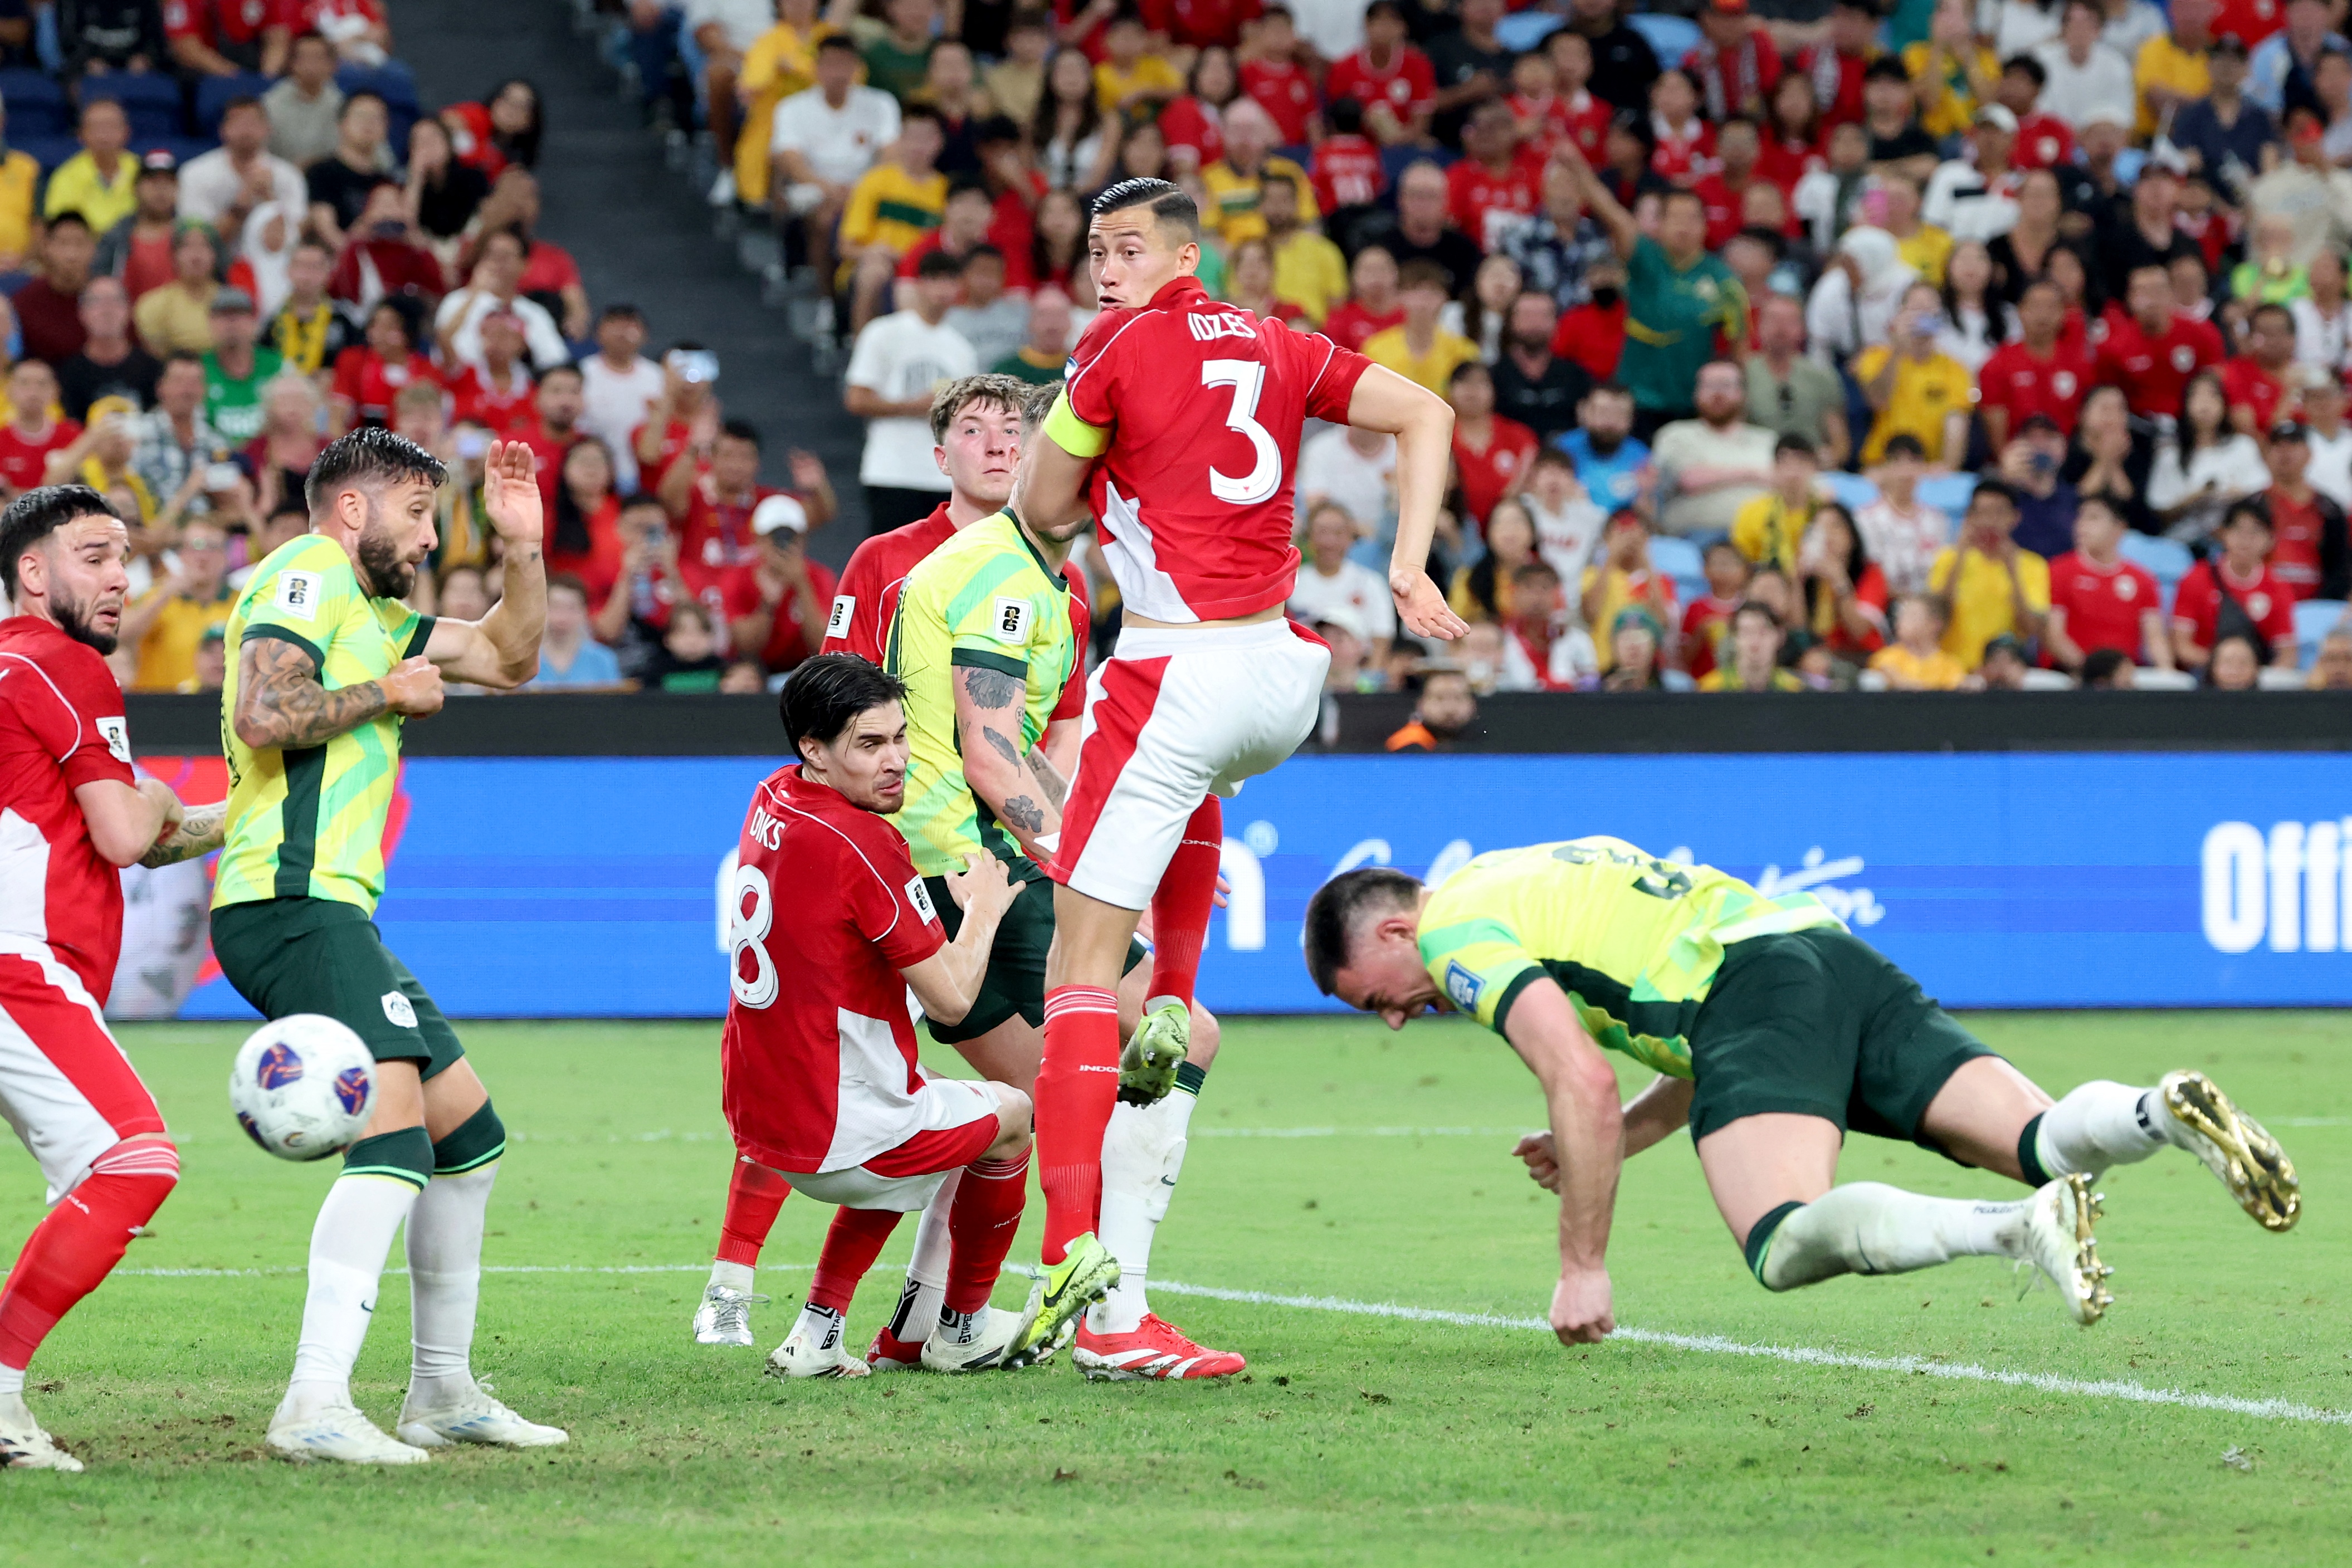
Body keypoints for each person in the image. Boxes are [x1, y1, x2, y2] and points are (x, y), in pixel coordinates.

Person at [1012, 175, 1462, 1366]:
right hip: (1282, 679)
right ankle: (1176, 998)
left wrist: (1088, 441)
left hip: (1176, 667)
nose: (1102, 268)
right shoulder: (1273, 340)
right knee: (1186, 827)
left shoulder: (1112, 350)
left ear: (1178, 253)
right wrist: (1410, 567)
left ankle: (1071, 1260)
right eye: (1093, 249)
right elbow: (1426, 413)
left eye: (1122, 248)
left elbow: (1038, 504)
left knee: (1071, 972)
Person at [1302, 843, 2300, 1346]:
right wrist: (1596, 1143)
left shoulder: (1452, 934)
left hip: (1749, 997)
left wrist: (1582, 1264)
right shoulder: (1518, 876)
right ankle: (2156, 1112)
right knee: (2041, 1137)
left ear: (1394, 935)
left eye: (1373, 1003)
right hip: (1822, 957)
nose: (1394, 1018)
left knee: (1782, 1241)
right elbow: (1676, 1057)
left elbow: (1583, 1078)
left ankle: (2015, 1230)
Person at [209, 429, 561, 1464]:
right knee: (397, 1135)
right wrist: (387, 694)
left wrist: (522, 549)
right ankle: (313, 1402)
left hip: (332, 906)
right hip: (288, 898)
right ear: (354, 510)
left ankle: (441, 1392)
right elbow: (265, 710)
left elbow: (509, 658)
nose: (426, 538)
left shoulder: (379, 615)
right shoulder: (306, 572)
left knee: (469, 1138)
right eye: (415, 515)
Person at [721, 654, 1040, 1376]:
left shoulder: (772, 794)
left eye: (901, 737)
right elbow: (952, 998)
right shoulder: (863, 841)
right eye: (870, 745)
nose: (896, 760)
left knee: (935, 1110)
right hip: (836, 1129)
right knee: (1013, 1112)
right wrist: (984, 905)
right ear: (815, 748)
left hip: (765, 1117)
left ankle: (820, 1334)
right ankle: (961, 1329)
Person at [0, 485, 227, 1469]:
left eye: (126, 556)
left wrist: (232, 825)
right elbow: (129, 832)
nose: (120, 577)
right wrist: (163, 794)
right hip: (19, 964)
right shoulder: (62, 666)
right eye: (94, 555)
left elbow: (101, 842)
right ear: (32, 572)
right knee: (134, 1160)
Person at [1567, 149, 1748, 437]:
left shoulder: (1724, 282)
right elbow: (1611, 213)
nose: (1683, 227)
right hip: (1639, 401)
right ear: (1660, 226)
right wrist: (1578, 168)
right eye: (1675, 219)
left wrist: (1738, 411)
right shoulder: (1643, 259)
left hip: (1694, 406)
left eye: (1691, 219)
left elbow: (1739, 353)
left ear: (1705, 225)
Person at [845, 250, 979, 535]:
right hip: (891, 469)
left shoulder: (961, 348)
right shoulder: (883, 333)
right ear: (919, 284)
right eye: (936, 280)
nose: (943, 290)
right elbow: (856, 398)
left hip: (942, 477)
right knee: (891, 566)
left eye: (950, 282)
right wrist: (914, 406)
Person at [770, 35, 902, 305]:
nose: (838, 73)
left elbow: (891, 154)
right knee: (825, 218)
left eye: (845, 64)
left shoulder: (881, 104)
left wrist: (861, 190)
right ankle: (827, 299)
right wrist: (828, 188)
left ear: (857, 68)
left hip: (865, 187)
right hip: (812, 188)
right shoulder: (792, 108)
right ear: (817, 68)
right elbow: (789, 158)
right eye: (830, 64)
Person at [1929, 478, 2048, 664]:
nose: (1989, 521)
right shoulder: (1947, 559)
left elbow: (2033, 628)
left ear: (2015, 517)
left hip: (2003, 672)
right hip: (1951, 671)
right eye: (1982, 512)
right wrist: (1959, 559)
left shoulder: (2033, 565)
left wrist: (2012, 572)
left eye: (1999, 513)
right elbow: (1934, 621)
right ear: (1970, 517)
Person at [2045, 494, 2170, 672]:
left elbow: (2155, 638)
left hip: (2124, 678)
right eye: (2080, 517)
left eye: (2094, 518)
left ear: (2120, 528)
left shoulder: (2143, 579)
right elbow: (2054, 635)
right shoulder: (2058, 571)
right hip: (2068, 674)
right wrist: (2091, 672)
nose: (2082, 525)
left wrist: (2167, 672)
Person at [1855, 281, 1975, 466]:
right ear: (1901, 313)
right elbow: (1878, 400)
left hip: (1929, 468)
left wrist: (1947, 468)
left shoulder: (1956, 370)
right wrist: (1897, 350)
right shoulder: (1875, 357)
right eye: (1917, 308)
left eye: (1930, 309)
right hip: (1882, 464)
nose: (1923, 315)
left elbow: (1956, 427)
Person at [2170, 500, 2300, 671]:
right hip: (2204, 673)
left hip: (2255, 677)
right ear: (2223, 534)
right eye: (2238, 531)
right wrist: (2226, 668)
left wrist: (2254, 675)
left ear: (2270, 540)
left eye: (2255, 532)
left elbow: (2287, 654)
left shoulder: (2278, 586)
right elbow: (2182, 647)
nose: (2245, 540)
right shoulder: (2196, 578)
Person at [1652, 361, 1777, 538]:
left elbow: (1790, 481)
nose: (1718, 394)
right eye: (1710, 386)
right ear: (1696, 394)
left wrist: (1716, 475)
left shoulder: (1769, 440)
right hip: (1694, 537)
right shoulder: (1676, 435)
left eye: (1726, 386)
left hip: (1762, 534)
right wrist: (1751, 474)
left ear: (1743, 394)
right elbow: (1688, 479)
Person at [2149, 368, 2268, 542]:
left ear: (2224, 404)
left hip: (2234, 539)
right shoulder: (2171, 455)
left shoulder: (2242, 446)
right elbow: (2161, 510)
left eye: (2212, 396)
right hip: (2185, 539)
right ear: (2186, 404)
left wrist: (2235, 494)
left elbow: (2260, 493)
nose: (2205, 404)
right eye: (2196, 396)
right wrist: (2194, 498)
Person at [118, 511, 233, 690]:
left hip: (218, 710)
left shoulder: (242, 603)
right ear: (181, 554)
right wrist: (166, 593)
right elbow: (119, 637)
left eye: (212, 547)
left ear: (226, 556)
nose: (202, 556)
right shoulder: (157, 597)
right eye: (195, 546)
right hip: (162, 709)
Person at [1978, 279, 2095, 451]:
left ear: (2063, 313)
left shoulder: (2080, 363)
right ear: (2020, 311)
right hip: (2016, 461)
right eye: (2035, 306)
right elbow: (1996, 432)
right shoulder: (1997, 364)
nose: (2043, 315)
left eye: (2051, 307)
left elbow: (2087, 420)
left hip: (2070, 461)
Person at [1743, 294, 1848, 465]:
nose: (1780, 328)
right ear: (1758, 327)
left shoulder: (1822, 375)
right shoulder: (1743, 373)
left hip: (1812, 465)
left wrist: (1829, 459)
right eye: (1773, 320)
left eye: (1789, 321)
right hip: (1758, 465)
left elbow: (1839, 441)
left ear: (1802, 329)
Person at [179, 97, 309, 235]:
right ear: (223, 130)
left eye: (253, 123)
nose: (246, 130)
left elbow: (294, 238)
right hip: (219, 256)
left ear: (268, 129)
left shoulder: (288, 174)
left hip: (270, 256)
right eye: (238, 123)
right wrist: (245, 197)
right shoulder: (195, 173)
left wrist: (268, 197)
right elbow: (199, 239)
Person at [1290, 499, 1398, 663]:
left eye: (1339, 533)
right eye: (1322, 532)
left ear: (1351, 537)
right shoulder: (1291, 583)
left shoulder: (1371, 584)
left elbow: (1381, 642)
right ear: (1309, 537)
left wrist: (1367, 685)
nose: (1330, 542)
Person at [1362, 259, 1481, 397]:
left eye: (1432, 291)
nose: (1424, 298)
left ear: (1445, 298)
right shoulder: (1375, 348)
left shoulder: (1466, 351)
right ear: (1400, 296)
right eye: (1415, 289)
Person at [18, 216, 99, 369]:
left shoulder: (108, 301)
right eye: (63, 244)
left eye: (79, 244)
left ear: (93, 249)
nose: (72, 255)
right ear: (46, 248)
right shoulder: (24, 302)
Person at [265, 31, 348, 168]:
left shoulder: (344, 106)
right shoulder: (270, 104)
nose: (311, 65)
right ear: (291, 64)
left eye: (318, 58)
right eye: (304, 58)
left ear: (333, 65)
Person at [1868, 591, 1973, 687]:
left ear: (1935, 624)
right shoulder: (1887, 657)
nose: (1902, 621)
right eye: (1901, 615)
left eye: (1912, 616)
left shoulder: (1951, 667)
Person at [1696, 599, 1804, 690]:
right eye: (1746, 632)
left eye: (1763, 632)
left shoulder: (1796, 690)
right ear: (1734, 637)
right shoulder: (1709, 690)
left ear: (1780, 636)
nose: (1755, 641)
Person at [1385, 666, 1476, 751]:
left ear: (1473, 704)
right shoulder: (1406, 744)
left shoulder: (1485, 744)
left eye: (1458, 698)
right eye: (1439, 698)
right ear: (1421, 703)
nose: (1450, 709)